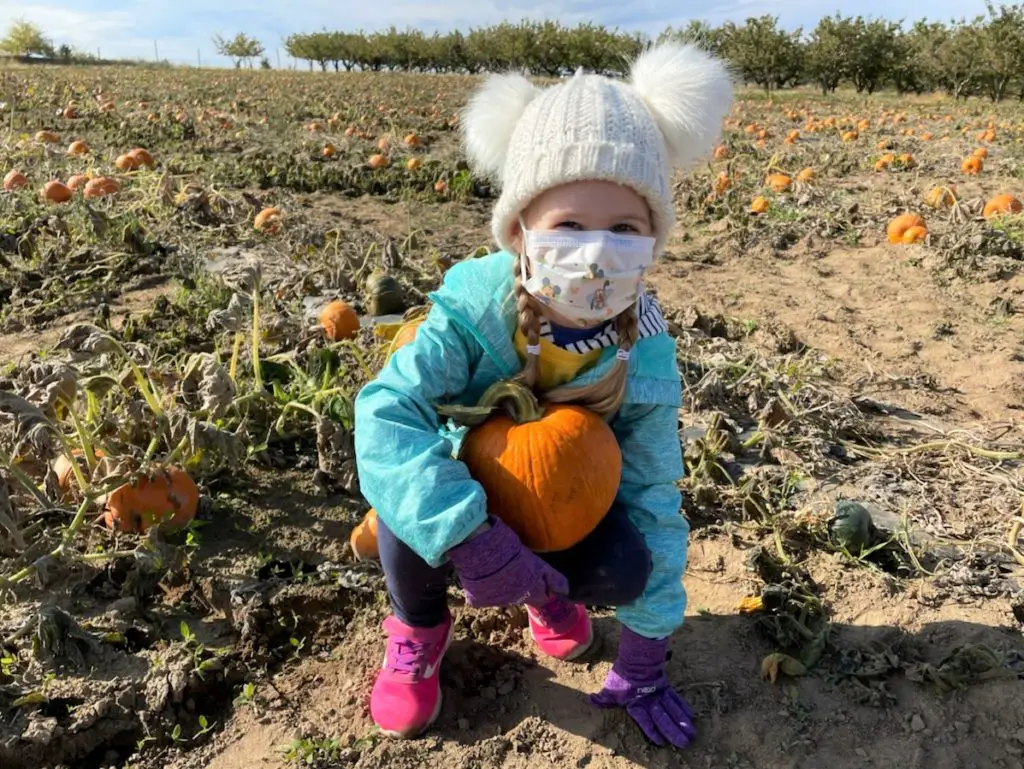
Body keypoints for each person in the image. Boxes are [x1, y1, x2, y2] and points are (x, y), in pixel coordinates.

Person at [353, 41, 733, 748]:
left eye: (624, 228)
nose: (595, 252)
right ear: (521, 231)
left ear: (654, 239)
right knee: (403, 511)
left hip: (559, 502)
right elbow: (383, 413)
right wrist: (470, 534)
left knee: (625, 564)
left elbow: (653, 493)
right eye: (569, 225)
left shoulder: (641, 351)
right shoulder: (473, 312)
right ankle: (421, 628)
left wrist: (648, 648)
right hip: (459, 489)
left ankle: (547, 595)